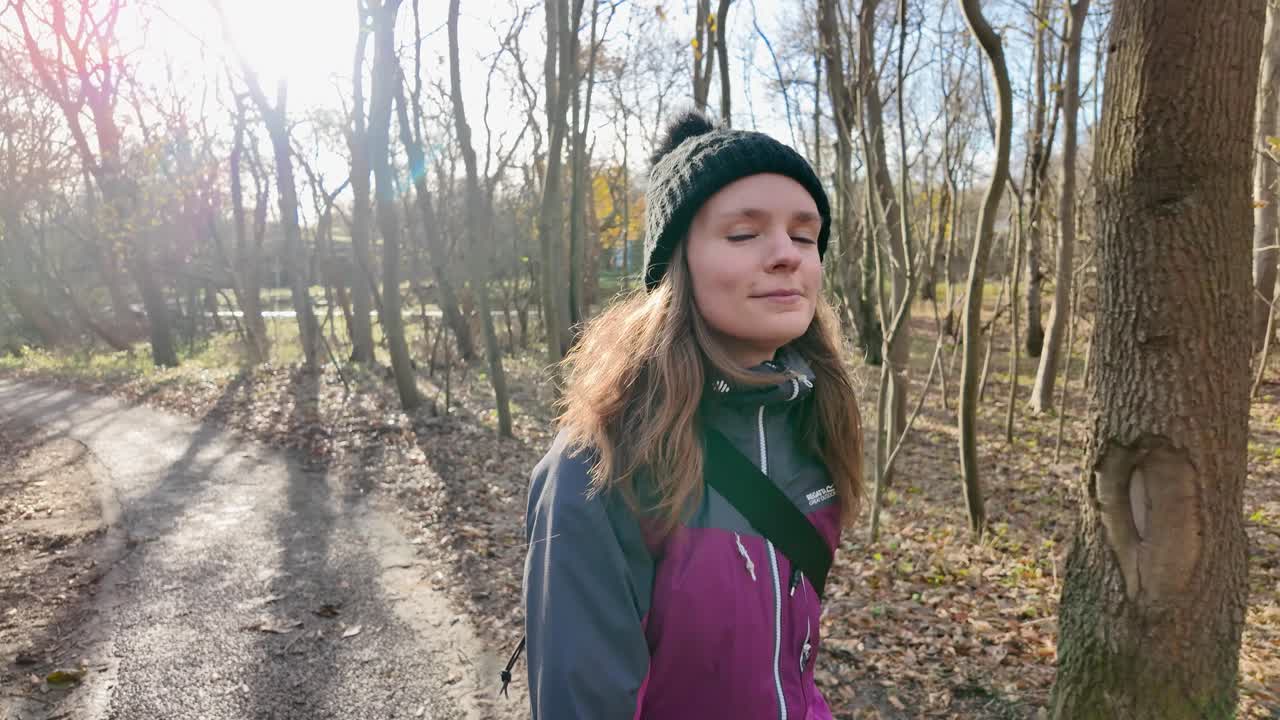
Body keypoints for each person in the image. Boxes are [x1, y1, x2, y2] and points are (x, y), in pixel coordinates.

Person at [521, 110, 865, 719]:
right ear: (676, 267)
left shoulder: (816, 423)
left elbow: (788, 673)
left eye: (805, 235)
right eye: (743, 234)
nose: (786, 255)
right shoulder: (600, 468)